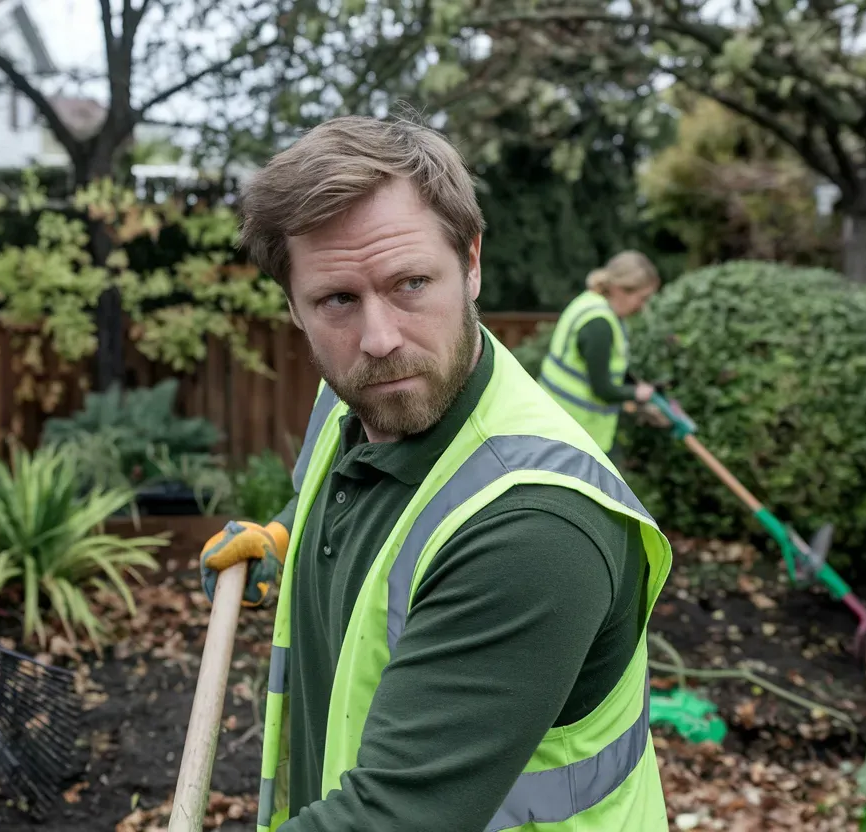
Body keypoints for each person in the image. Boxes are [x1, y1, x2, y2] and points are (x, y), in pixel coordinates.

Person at [197, 114, 673, 832]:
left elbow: (390, 818)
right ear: (293, 307)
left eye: (411, 282)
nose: (381, 339)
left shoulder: (535, 532)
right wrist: (284, 538)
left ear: (472, 261)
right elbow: (352, 493)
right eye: (338, 300)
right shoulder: (354, 394)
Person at [537, 252, 663, 462]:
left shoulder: (588, 303)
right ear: (619, 289)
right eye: (642, 298)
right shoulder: (599, 325)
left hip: (555, 423)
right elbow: (603, 389)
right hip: (578, 433)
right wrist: (639, 393)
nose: (642, 307)